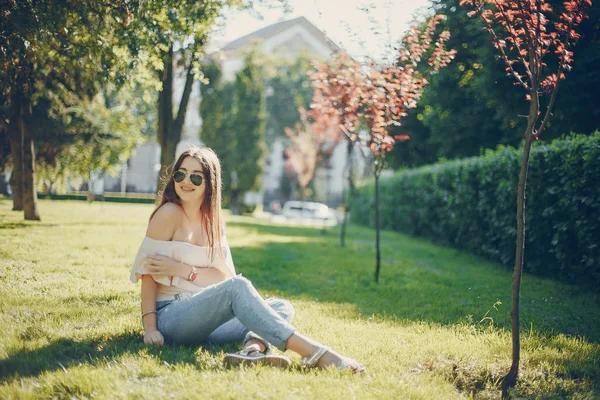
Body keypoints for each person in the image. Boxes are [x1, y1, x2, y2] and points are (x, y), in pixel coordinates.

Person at [129, 145, 365, 372]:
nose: (185, 182)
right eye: (181, 174)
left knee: (281, 306)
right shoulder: (168, 214)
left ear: (209, 183)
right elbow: (147, 274)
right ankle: (317, 353)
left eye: (195, 177)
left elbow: (222, 276)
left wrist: (183, 270)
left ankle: (251, 351)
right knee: (238, 288)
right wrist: (150, 328)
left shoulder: (213, 221)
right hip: (171, 318)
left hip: (205, 316)